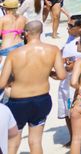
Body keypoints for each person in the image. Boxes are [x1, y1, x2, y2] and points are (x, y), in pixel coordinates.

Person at [0, 21, 65, 154]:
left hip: (18, 102)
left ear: (26, 33)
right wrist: (49, 73)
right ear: (40, 32)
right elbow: (62, 75)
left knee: (13, 141)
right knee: (35, 141)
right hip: (42, 100)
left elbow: (2, 83)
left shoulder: (14, 54)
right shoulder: (53, 50)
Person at [59, 15, 81, 150]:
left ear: (80, 28)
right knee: (67, 112)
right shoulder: (71, 37)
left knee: (79, 113)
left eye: (71, 26)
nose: (68, 28)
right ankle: (73, 139)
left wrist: (76, 65)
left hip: (78, 83)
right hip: (66, 81)